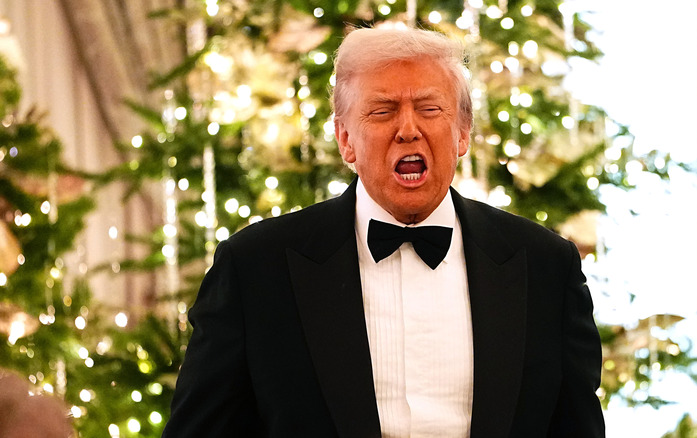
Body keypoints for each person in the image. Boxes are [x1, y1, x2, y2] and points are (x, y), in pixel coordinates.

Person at [163, 27, 605, 438]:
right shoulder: (255, 268)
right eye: (382, 111)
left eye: (430, 109)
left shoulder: (546, 266)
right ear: (345, 140)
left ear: (463, 133)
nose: (408, 129)